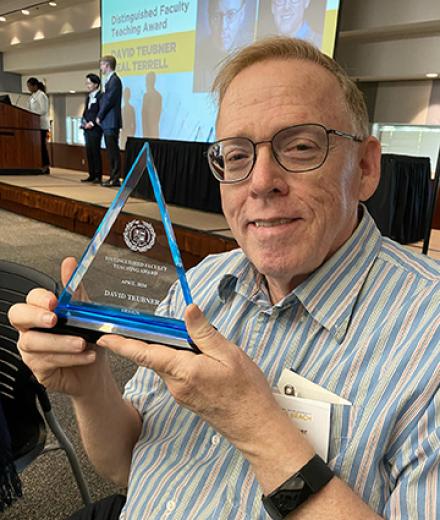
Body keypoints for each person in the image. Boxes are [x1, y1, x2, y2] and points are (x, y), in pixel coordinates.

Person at [9, 37, 439, 520]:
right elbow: (129, 467)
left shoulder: (429, 339)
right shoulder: (204, 285)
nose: (259, 181)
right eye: (236, 156)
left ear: (365, 167)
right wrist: (90, 385)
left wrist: (257, 426)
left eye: (299, 147)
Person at [193, 0, 256, 92]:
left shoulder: (254, 51)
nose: (223, 26)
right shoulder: (197, 56)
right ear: (209, 17)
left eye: (231, 15)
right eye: (216, 16)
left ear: (242, 14)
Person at [96, 55, 123, 187]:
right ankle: (113, 177)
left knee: (113, 151)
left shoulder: (114, 80)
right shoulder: (110, 80)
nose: (100, 68)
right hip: (109, 122)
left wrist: (99, 116)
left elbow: (109, 101)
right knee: (111, 151)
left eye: (101, 65)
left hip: (111, 121)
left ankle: (115, 178)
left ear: (107, 65)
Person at [80, 73, 103, 184]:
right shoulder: (88, 97)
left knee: (95, 151)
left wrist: (92, 123)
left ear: (96, 84)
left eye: (89, 83)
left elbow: (100, 112)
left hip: (95, 128)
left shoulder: (101, 96)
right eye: (87, 83)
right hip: (87, 128)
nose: (87, 85)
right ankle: (92, 174)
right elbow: (86, 111)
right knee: (89, 152)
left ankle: (98, 176)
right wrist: (83, 121)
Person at [27, 77, 50, 174]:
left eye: (29, 86)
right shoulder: (31, 97)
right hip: (33, 126)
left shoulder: (41, 95)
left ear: (35, 86)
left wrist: (33, 113)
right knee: (35, 146)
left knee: (41, 147)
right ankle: (37, 164)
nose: (29, 88)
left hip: (41, 125)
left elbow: (43, 110)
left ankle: (45, 165)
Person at [141, 72, 162, 139]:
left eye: (148, 81)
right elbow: (143, 114)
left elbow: (158, 114)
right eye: (147, 80)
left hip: (153, 131)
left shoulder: (158, 96)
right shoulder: (146, 96)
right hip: (146, 131)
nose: (146, 83)